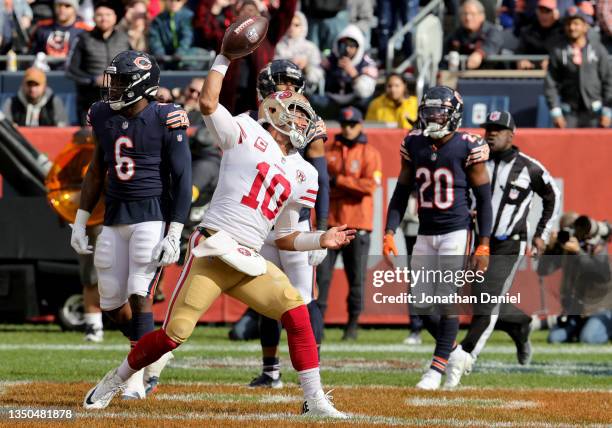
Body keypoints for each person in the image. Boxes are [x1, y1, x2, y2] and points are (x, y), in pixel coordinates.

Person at [81, 38, 353, 419]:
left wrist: (319, 238)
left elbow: (286, 237)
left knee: (296, 311)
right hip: (213, 247)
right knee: (174, 334)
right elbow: (208, 104)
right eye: (297, 112)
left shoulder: (304, 173)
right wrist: (224, 58)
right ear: (275, 112)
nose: (305, 121)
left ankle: (315, 400)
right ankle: (117, 378)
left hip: (248, 257)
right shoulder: (245, 130)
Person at [70, 50, 191, 400]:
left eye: (121, 80)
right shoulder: (103, 115)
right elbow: (96, 169)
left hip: (152, 214)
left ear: (140, 83)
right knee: (110, 304)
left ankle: (136, 379)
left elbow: (183, 179)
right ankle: (153, 350)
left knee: (140, 292)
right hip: (114, 215)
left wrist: (174, 232)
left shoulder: (166, 117)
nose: (113, 86)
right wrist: (80, 220)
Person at [383, 86, 493, 390]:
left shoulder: (469, 146)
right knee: (419, 303)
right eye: (429, 111)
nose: (433, 117)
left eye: (439, 112)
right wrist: (390, 229)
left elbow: (484, 200)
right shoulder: (414, 142)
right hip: (425, 230)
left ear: (454, 115)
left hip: (456, 230)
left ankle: (436, 368)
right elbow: (402, 190)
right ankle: (456, 353)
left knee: (446, 301)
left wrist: (484, 242)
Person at [445, 111, 561, 388]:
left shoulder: (528, 167)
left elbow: (551, 196)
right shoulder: (475, 161)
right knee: (482, 301)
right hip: (479, 240)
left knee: (488, 301)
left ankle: (465, 355)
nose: (491, 133)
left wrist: (541, 233)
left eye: (498, 129)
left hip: (510, 242)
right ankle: (519, 325)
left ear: (512, 134)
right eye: (488, 128)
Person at [248, 59, 330, 388]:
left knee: (303, 297)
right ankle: (271, 371)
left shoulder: (307, 119)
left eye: (288, 84)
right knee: (268, 299)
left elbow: (320, 176)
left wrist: (320, 228)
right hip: (261, 218)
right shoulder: (256, 120)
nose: (284, 90)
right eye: (277, 83)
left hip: (295, 221)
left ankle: (313, 373)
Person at [316, 106, 382, 340]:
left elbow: (368, 187)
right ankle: (318, 326)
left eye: (352, 124)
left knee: (357, 280)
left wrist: (339, 182)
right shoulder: (329, 149)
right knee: (322, 279)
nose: (348, 128)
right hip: (332, 225)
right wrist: (345, 186)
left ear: (360, 125)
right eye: (344, 125)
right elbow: (321, 185)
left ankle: (352, 326)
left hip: (358, 226)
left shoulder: (370, 153)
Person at [545, 6, 612, 128]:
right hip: (568, 113)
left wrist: (608, 111)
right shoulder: (558, 51)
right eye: (568, 24)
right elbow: (551, 83)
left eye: (576, 23)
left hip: (595, 113)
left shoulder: (597, 49)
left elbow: (608, 80)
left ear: (585, 26)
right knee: (567, 147)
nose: (572, 28)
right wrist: (556, 112)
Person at [65, 2, 131, 125]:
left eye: (108, 14)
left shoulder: (124, 39)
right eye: (99, 14)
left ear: (115, 17)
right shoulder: (83, 39)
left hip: (120, 103)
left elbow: (135, 67)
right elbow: (70, 70)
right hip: (90, 102)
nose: (104, 18)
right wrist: (93, 80)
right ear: (93, 17)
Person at [313, 24, 378, 118]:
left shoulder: (367, 64)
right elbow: (314, 78)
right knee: (314, 100)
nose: (347, 49)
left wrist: (354, 74)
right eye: (344, 45)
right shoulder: (330, 59)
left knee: (366, 100)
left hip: (354, 101)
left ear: (358, 47)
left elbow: (365, 92)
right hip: (332, 101)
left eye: (352, 46)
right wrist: (308, 69)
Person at [444, 0, 504, 70]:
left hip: (492, 76)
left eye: (472, 14)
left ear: (481, 16)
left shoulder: (492, 31)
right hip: (463, 76)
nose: (468, 18)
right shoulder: (457, 34)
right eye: (465, 14)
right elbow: (445, 52)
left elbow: (492, 44)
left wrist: (480, 54)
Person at [30, 0, 91, 67]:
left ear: (75, 9)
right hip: (45, 73)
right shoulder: (42, 28)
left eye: (67, 6)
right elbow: (32, 52)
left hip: (74, 73)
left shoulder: (84, 30)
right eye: (59, 5)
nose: (62, 9)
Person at [274, 12, 324, 93]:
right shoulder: (278, 46)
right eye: (289, 24)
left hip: (304, 93)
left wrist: (306, 67)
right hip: (279, 92)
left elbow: (318, 76)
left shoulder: (310, 48)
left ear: (303, 27)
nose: (292, 28)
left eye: (296, 25)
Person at [2, 67, 68, 127]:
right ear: (23, 85)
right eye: (29, 84)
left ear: (44, 86)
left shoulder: (54, 102)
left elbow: (62, 127)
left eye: (37, 85)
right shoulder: (11, 103)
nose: (32, 89)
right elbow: (5, 129)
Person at [148, 0, 198, 70]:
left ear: (183, 1)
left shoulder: (189, 17)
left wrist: (180, 52)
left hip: (184, 56)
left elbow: (187, 36)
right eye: (171, 0)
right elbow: (154, 38)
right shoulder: (158, 19)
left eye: (178, 0)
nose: (174, 3)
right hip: (164, 57)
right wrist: (159, 52)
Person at [516, 0, 565, 70]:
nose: (544, 16)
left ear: (555, 13)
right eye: (541, 11)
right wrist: (522, 60)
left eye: (547, 11)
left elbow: (565, 51)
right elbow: (520, 50)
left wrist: (552, 60)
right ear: (537, 12)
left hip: (556, 73)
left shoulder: (562, 31)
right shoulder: (528, 31)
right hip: (531, 73)